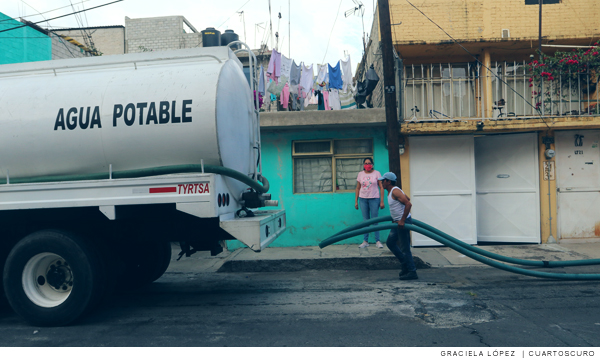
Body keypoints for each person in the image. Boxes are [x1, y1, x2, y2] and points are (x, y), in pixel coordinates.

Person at [379, 172, 418, 280]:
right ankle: (405, 264)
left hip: (402, 223)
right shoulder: (393, 191)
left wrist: (402, 220)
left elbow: (408, 204)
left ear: (388, 181)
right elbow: (407, 198)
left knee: (404, 248)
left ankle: (412, 271)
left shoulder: (395, 191)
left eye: (383, 180)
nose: (382, 182)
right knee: (390, 243)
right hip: (396, 222)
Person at [355, 157, 385, 248]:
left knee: (375, 220)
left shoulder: (377, 173)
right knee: (365, 221)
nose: (367, 165)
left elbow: (381, 187)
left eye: (369, 163)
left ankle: (378, 241)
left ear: (372, 164)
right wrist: (356, 201)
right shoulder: (360, 174)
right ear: (363, 165)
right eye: (365, 163)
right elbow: (357, 188)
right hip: (363, 199)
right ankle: (365, 241)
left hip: (374, 199)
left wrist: (382, 201)